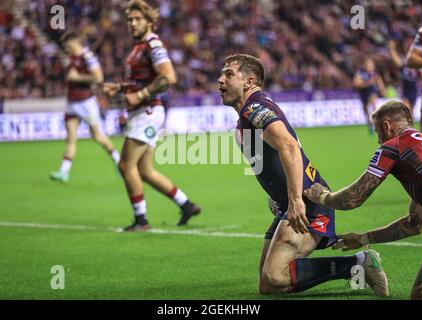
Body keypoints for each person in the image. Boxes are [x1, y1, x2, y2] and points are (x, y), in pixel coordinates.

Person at [218, 53, 389, 296]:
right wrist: (278, 194)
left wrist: (295, 199)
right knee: (268, 285)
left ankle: (359, 264)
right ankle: (357, 266)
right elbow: (285, 150)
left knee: (275, 276)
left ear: (249, 81)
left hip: (307, 202)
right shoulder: (249, 114)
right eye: (221, 74)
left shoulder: (255, 108)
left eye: (229, 74)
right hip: (289, 202)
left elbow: (289, 146)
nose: (220, 80)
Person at [304, 101, 422, 300]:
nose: (378, 140)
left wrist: (323, 197)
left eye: (376, 131)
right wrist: (364, 238)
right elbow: (413, 225)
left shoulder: (393, 147)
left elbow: (354, 198)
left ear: (387, 126)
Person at [103, 0, 200, 231]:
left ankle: (141, 220)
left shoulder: (152, 44)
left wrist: (140, 94)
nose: (132, 23)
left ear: (150, 21)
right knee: (144, 170)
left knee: (126, 166)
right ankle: (186, 204)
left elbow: (168, 76)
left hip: (146, 112)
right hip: (143, 112)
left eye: (137, 19)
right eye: (129, 19)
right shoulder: (139, 47)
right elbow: (141, 80)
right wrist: (120, 88)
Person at [50, 31, 120, 183]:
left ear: (75, 42)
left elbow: (98, 77)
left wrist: (77, 77)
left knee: (98, 136)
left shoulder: (88, 56)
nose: (66, 49)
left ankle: (119, 162)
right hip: (71, 103)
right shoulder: (72, 58)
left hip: (85, 103)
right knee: (70, 138)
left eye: (68, 45)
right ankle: (64, 172)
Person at [352, 58, 386, 133]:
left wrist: (382, 90)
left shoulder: (374, 73)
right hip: (363, 92)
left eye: (371, 64)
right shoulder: (360, 73)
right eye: (368, 64)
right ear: (365, 65)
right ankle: (370, 124)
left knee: (373, 102)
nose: (370, 66)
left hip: (371, 91)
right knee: (366, 109)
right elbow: (356, 83)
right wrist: (367, 83)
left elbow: (379, 82)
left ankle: (375, 120)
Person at [388, 39, 419, 112]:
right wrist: (392, 49)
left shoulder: (417, 62)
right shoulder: (404, 62)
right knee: (407, 110)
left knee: (411, 113)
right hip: (405, 91)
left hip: (414, 91)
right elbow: (396, 60)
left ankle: (410, 123)